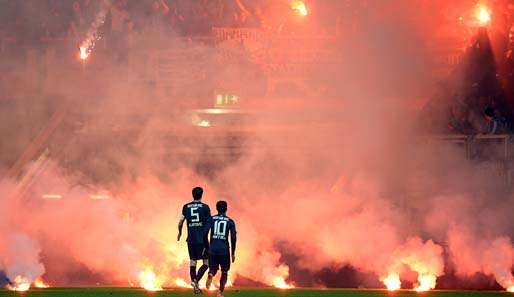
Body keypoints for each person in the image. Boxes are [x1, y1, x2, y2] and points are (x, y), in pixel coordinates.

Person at [178, 187, 211, 294]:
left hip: (191, 240)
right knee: (206, 262)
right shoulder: (205, 208)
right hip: (202, 240)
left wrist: (180, 232)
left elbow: (180, 222)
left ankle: (195, 287)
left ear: (193, 194)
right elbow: (209, 223)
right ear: (202, 194)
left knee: (193, 262)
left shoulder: (186, 207)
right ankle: (195, 280)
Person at [206, 201, 237, 297]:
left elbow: (204, 233)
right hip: (224, 250)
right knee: (224, 272)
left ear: (216, 208)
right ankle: (220, 292)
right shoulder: (230, 221)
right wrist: (233, 252)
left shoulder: (211, 219)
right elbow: (233, 238)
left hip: (213, 249)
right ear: (226, 209)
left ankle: (211, 274)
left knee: (213, 268)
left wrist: (207, 247)